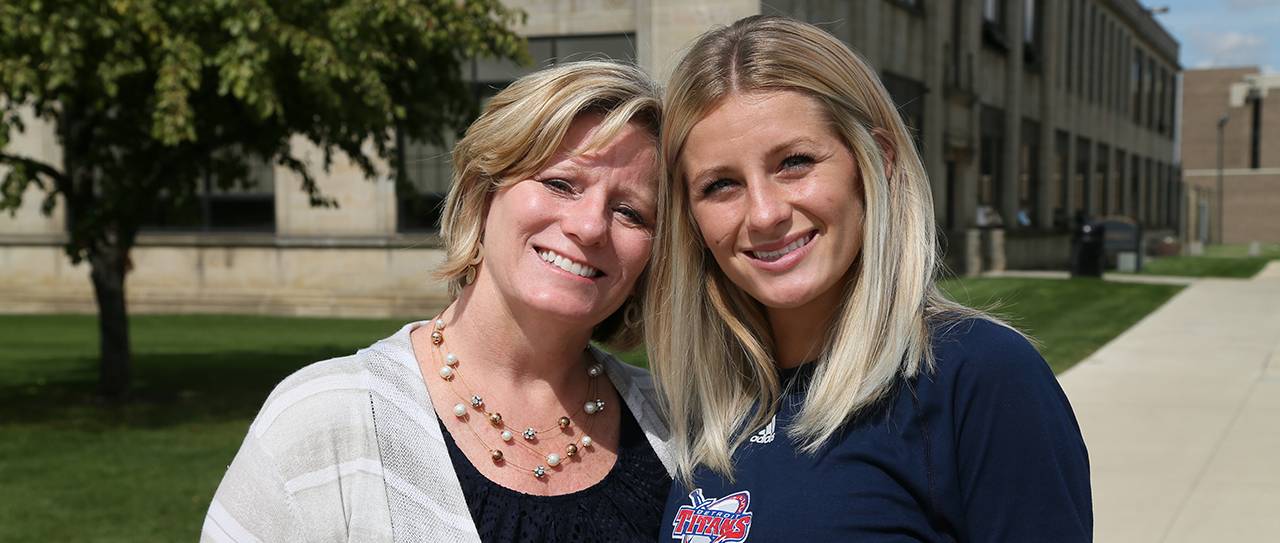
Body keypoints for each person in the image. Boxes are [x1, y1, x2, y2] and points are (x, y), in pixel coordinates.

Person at [646, 16, 1091, 541]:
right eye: (720, 184)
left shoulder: (980, 378)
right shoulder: (709, 403)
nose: (763, 214)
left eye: (794, 162)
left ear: (875, 161)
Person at [202, 61, 674, 542]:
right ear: (483, 194)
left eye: (629, 212)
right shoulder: (321, 420)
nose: (590, 225)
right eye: (560, 183)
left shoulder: (680, 431)